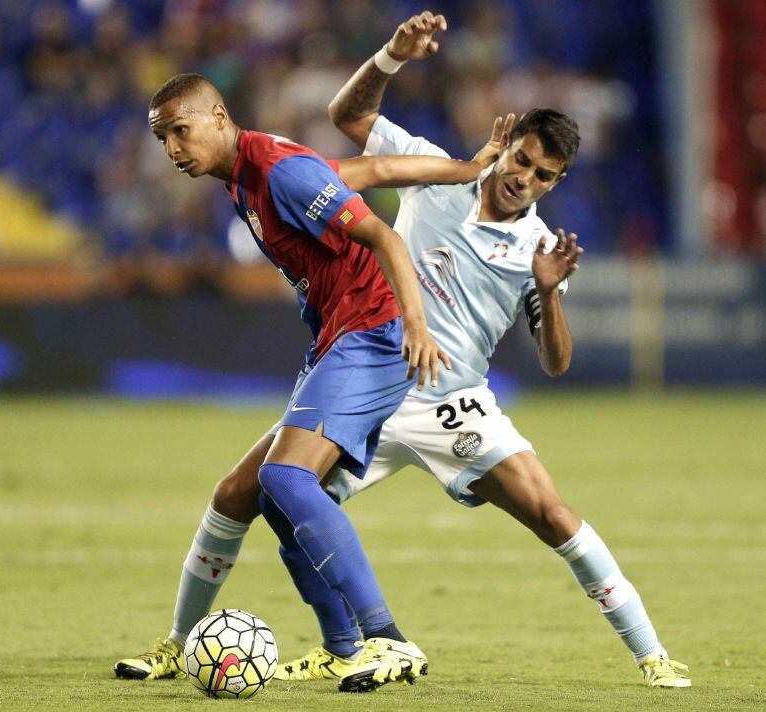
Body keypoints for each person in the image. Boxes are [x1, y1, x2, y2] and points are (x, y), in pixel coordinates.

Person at [273, 11, 690, 689]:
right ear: (507, 145)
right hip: (373, 385)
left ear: (556, 183)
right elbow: (346, 114)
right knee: (286, 500)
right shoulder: (434, 170)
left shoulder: (537, 252)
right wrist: (391, 56)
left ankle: (652, 656)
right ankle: (348, 644)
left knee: (553, 514)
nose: (525, 177)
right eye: (522, 158)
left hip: (456, 408)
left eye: (544, 174)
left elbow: (557, 363)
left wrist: (549, 295)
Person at [116, 70, 492, 693]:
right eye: (162, 140)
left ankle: (388, 639)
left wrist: (418, 329)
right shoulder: (246, 175)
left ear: (217, 117)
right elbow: (366, 173)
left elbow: (381, 235)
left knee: (284, 477)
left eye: (180, 132)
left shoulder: (278, 171)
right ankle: (331, 646)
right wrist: (466, 169)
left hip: (374, 332)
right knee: (248, 492)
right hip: (338, 339)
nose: (173, 150)